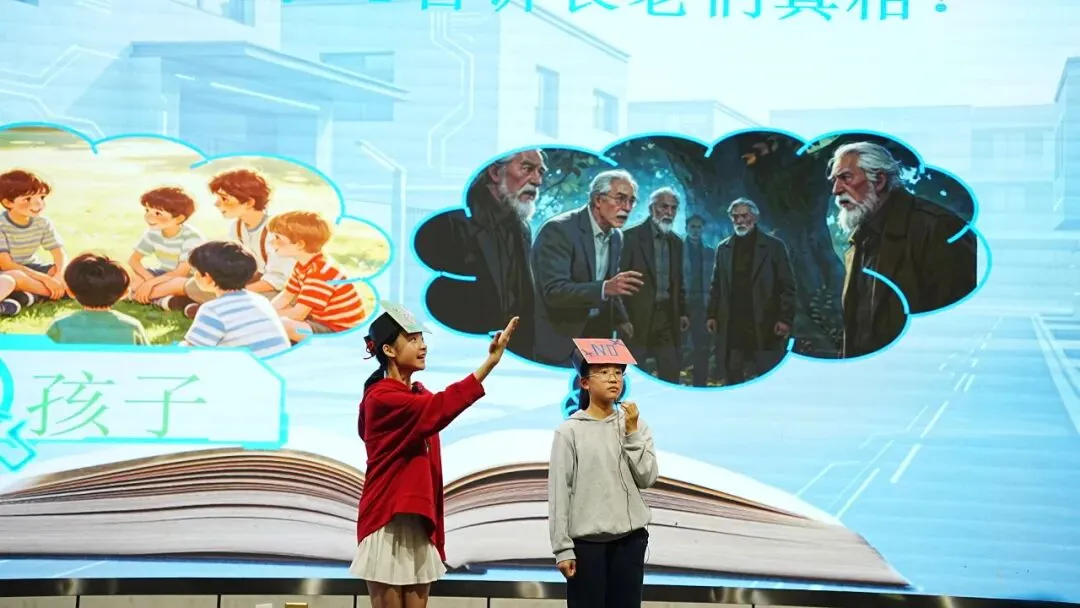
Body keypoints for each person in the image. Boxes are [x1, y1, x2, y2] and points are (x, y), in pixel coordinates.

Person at [351, 300, 518, 608]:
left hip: (417, 516)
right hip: (387, 516)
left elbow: (435, 406)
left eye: (422, 339)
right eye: (413, 340)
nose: (422, 346)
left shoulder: (417, 394)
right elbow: (442, 406)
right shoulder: (382, 398)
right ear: (389, 350)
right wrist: (489, 363)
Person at [827, 141, 976, 357]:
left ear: (879, 181)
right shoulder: (860, 238)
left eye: (846, 177)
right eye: (834, 180)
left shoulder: (938, 228)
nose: (836, 190)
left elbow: (956, 325)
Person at [549, 338, 659, 608]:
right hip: (587, 545)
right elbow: (560, 492)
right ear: (585, 382)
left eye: (618, 372)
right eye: (604, 372)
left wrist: (632, 433)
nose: (613, 378)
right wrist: (562, 548)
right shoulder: (569, 431)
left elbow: (647, 478)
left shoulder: (636, 424)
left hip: (629, 542)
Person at [531, 169, 642, 366]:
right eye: (620, 199)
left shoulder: (616, 236)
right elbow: (554, 292)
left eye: (631, 201)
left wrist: (621, 319)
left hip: (598, 336)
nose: (627, 207)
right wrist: (604, 288)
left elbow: (612, 284)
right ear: (598, 200)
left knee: (608, 384)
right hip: (561, 337)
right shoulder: (558, 230)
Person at [706, 198, 795, 385]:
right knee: (733, 374)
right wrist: (712, 314)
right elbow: (716, 285)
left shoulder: (774, 247)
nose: (740, 221)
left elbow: (787, 286)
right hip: (733, 324)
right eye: (735, 217)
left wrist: (785, 319)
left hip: (765, 322)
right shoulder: (723, 249)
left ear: (754, 217)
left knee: (768, 376)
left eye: (744, 216)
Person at [180, 241, 291, 358]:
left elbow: (192, 352)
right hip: (279, 366)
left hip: (254, 368)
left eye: (195, 271)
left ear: (207, 278)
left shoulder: (213, 310)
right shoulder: (261, 300)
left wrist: (181, 346)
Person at [46, 253, 149, 345]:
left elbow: (45, 356)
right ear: (125, 293)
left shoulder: (59, 326)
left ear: (70, 292)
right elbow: (147, 357)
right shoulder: (133, 327)